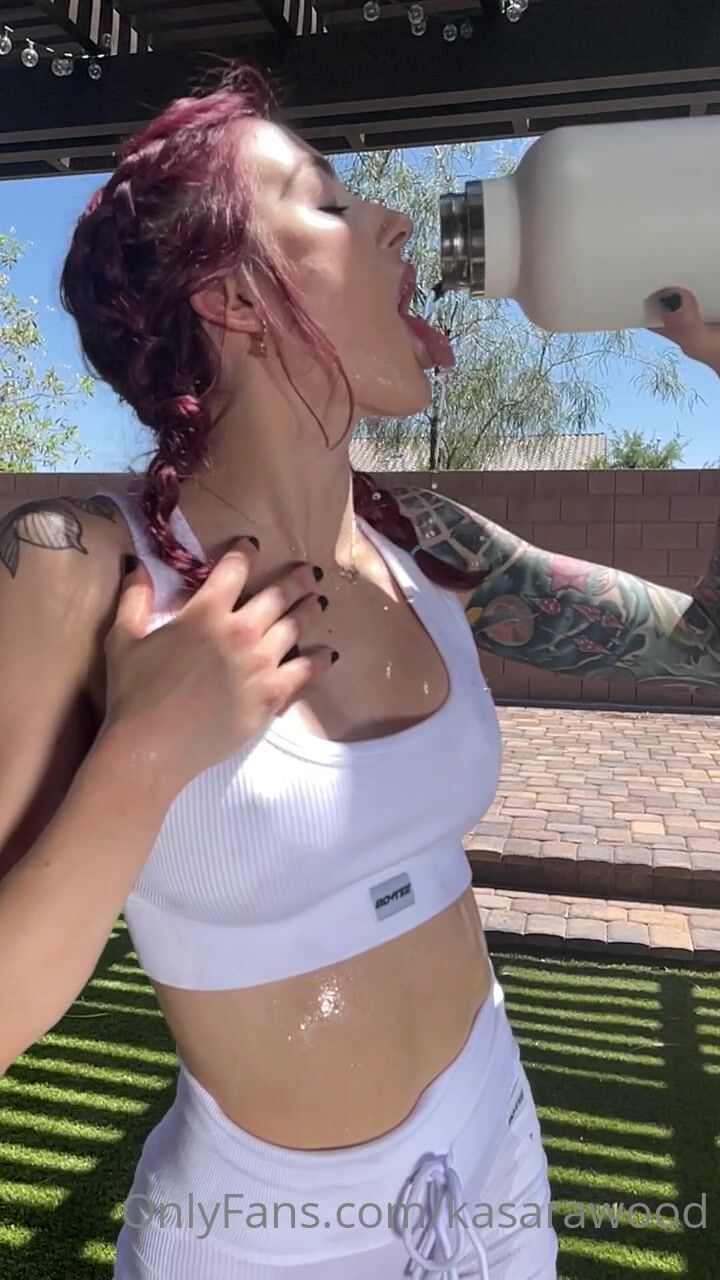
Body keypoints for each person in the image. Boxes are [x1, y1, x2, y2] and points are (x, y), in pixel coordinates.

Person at [0, 60, 719, 1280]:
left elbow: (703, 645)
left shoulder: (427, 544)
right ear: (231, 295)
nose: (393, 220)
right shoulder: (72, 569)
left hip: (496, 1167)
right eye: (328, 203)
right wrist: (145, 750)